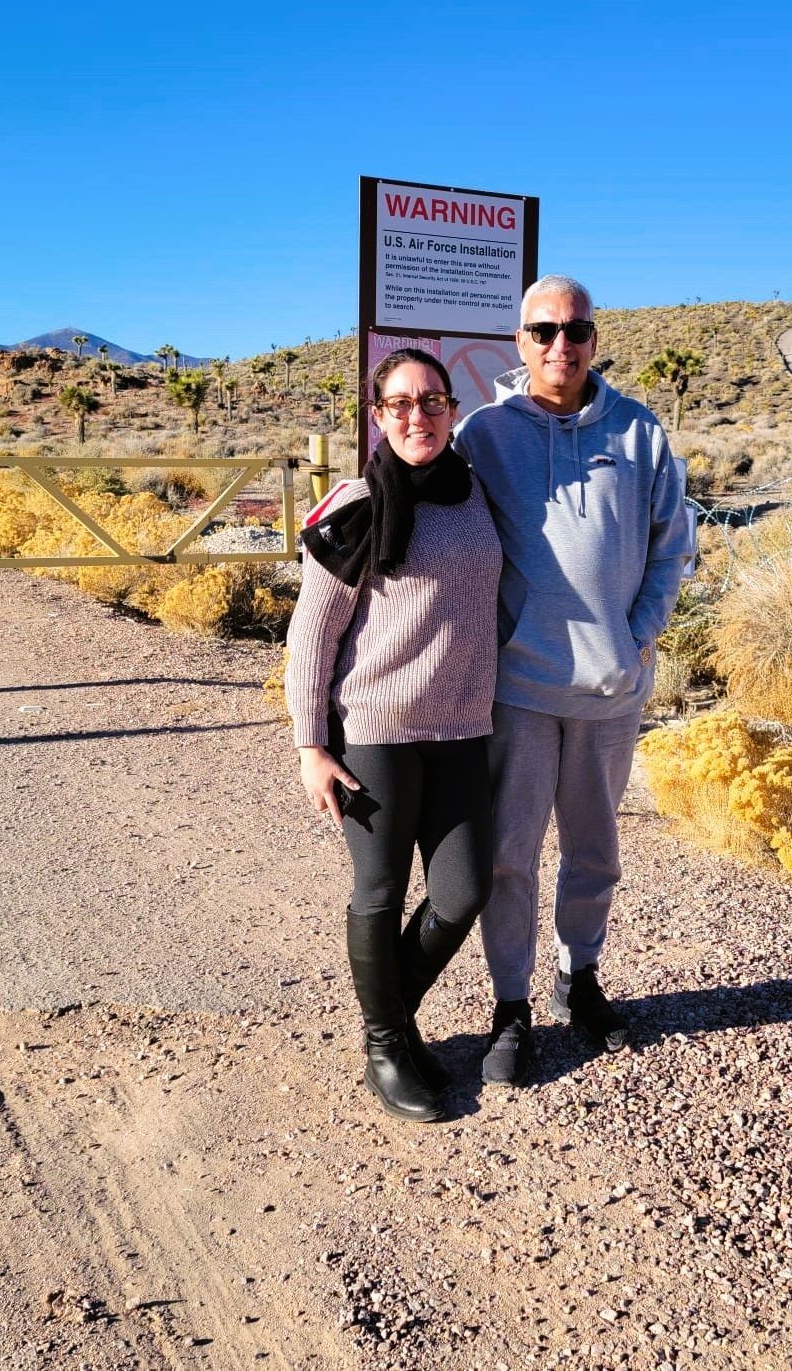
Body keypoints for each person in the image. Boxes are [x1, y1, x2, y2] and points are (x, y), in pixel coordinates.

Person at [454, 274, 691, 1086]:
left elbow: (671, 546)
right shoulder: (484, 433)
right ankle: (510, 1004)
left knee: (594, 850)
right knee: (509, 856)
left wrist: (638, 635)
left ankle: (577, 978)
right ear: (519, 340)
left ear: (594, 338)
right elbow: (439, 526)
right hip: (517, 688)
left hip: (610, 690)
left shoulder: (638, 432)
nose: (561, 345)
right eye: (544, 329)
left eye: (576, 330)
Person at [286, 348, 502, 1123]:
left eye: (433, 401)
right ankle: (386, 1046)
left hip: (461, 729)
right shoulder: (355, 504)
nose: (419, 417)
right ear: (378, 416)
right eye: (401, 404)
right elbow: (311, 634)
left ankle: (388, 1019)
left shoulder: (477, 493)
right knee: (379, 892)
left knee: (463, 891)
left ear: (451, 410)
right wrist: (312, 745)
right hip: (373, 731)